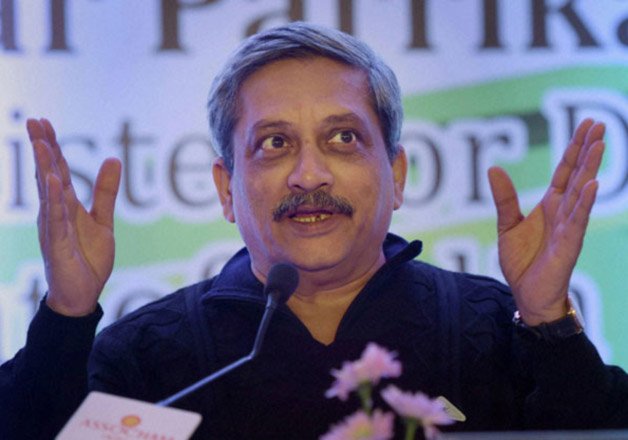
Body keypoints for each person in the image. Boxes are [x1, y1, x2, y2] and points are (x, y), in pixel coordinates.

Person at [2, 21, 628, 439]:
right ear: (226, 188)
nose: (308, 174)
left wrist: (548, 320)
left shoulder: (493, 326)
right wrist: (66, 318)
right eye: (274, 144)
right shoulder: (146, 356)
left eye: (343, 138)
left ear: (396, 174)